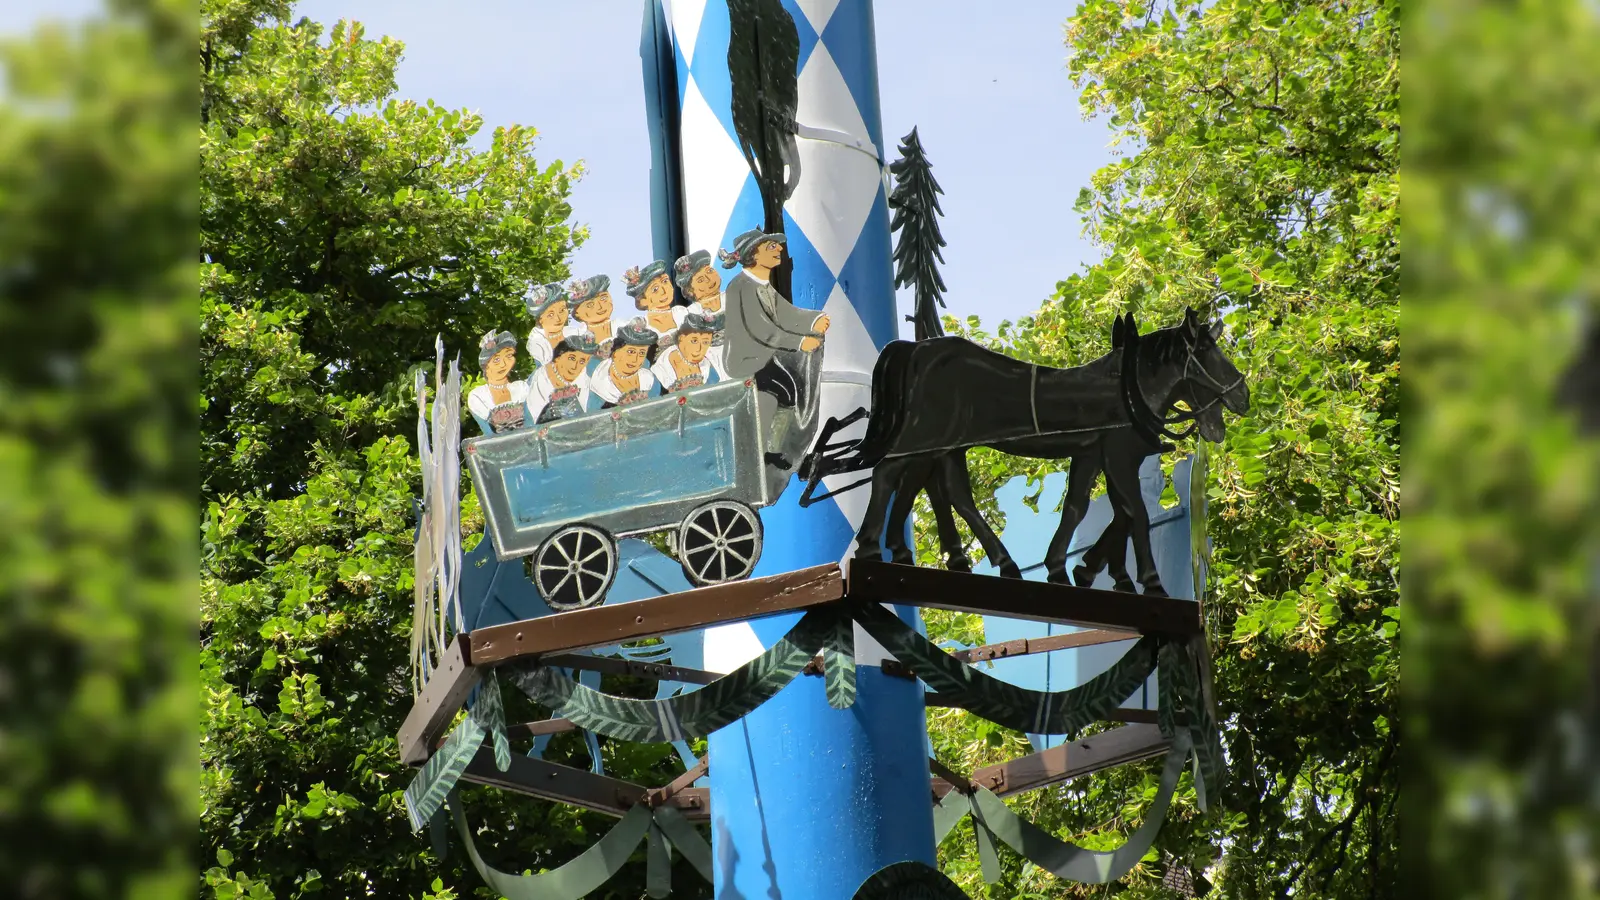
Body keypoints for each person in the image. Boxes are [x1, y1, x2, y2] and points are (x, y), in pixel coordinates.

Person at [717, 228, 830, 469]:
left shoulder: (763, 285)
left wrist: (813, 319)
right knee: (775, 397)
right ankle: (755, 451)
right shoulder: (741, 286)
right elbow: (761, 328)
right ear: (753, 254)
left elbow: (786, 314)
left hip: (762, 358)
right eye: (770, 246)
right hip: (744, 362)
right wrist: (800, 342)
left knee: (789, 394)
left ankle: (771, 450)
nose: (779, 249)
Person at [582, 318, 660, 411]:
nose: (635, 360)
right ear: (615, 352)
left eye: (642, 353)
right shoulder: (600, 385)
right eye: (631, 352)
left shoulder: (649, 380)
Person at [467, 330, 531, 435]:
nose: (503, 364)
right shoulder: (478, 396)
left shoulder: (521, 388)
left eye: (508, 356)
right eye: (496, 360)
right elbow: (489, 431)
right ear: (486, 365)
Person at [674, 249, 727, 371]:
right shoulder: (688, 314)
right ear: (690, 291)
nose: (709, 279)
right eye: (700, 280)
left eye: (709, 271)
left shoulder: (735, 296)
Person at [528, 332, 597, 424]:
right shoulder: (541, 377)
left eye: (582, 361)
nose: (575, 366)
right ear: (558, 357)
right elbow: (534, 415)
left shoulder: (584, 380)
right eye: (572, 358)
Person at [651, 312, 725, 393]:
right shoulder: (659, 372)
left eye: (705, 342)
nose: (699, 349)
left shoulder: (710, 363)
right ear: (681, 338)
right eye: (694, 341)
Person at [623, 259, 682, 354]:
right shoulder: (642, 327)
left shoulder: (681, 312)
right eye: (655, 289)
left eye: (665, 281)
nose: (664, 290)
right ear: (642, 300)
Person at [565, 275, 617, 371]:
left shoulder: (624, 327)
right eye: (590, 305)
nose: (600, 307)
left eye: (603, 299)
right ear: (577, 313)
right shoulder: (574, 339)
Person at [523, 282, 570, 367]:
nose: (558, 319)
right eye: (550, 315)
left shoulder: (575, 332)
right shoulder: (537, 342)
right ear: (540, 320)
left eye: (562, 310)